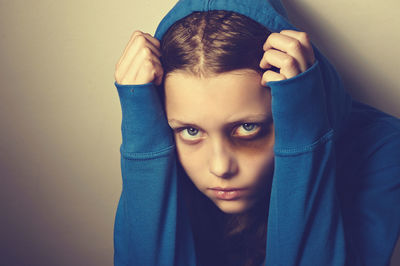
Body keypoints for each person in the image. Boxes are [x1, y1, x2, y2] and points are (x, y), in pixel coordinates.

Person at [113, 0, 400, 265]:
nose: (220, 167)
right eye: (190, 131)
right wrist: (143, 145)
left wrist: (302, 140)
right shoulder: (165, 156)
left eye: (247, 128)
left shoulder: (384, 150)